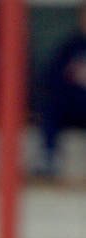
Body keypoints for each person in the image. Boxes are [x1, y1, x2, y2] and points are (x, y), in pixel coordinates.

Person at [36, 3, 86, 181]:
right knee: (52, 107)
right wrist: (70, 77)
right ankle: (49, 159)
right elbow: (51, 76)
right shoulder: (70, 46)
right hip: (73, 105)